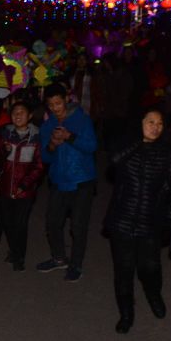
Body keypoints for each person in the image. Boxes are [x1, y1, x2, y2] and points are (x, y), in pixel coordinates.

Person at [102, 110, 171, 334]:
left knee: (150, 268)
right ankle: (126, 314)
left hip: (150, 223)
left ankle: (153, 295)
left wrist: (168, 220)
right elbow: (114, 161)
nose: (155, 127)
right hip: (122, 222)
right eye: (150, 122)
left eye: (160, 123)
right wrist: (139, 142)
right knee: (124, 270)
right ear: (140, 124)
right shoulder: (128, 147)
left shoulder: (166, 152)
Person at [37, 83, 98, 281]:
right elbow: (45, 158)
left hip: (82, 180)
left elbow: (91, 146)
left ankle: (76, 264)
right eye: (51, 104)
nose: (55, 107)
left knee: (78, 226)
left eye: (58, 102)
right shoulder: (47, 126)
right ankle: (59, 258)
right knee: (53, 222)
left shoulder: (81, 119)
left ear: (66, 100)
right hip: (58, 180)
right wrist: (53, 145)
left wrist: (70, 136)